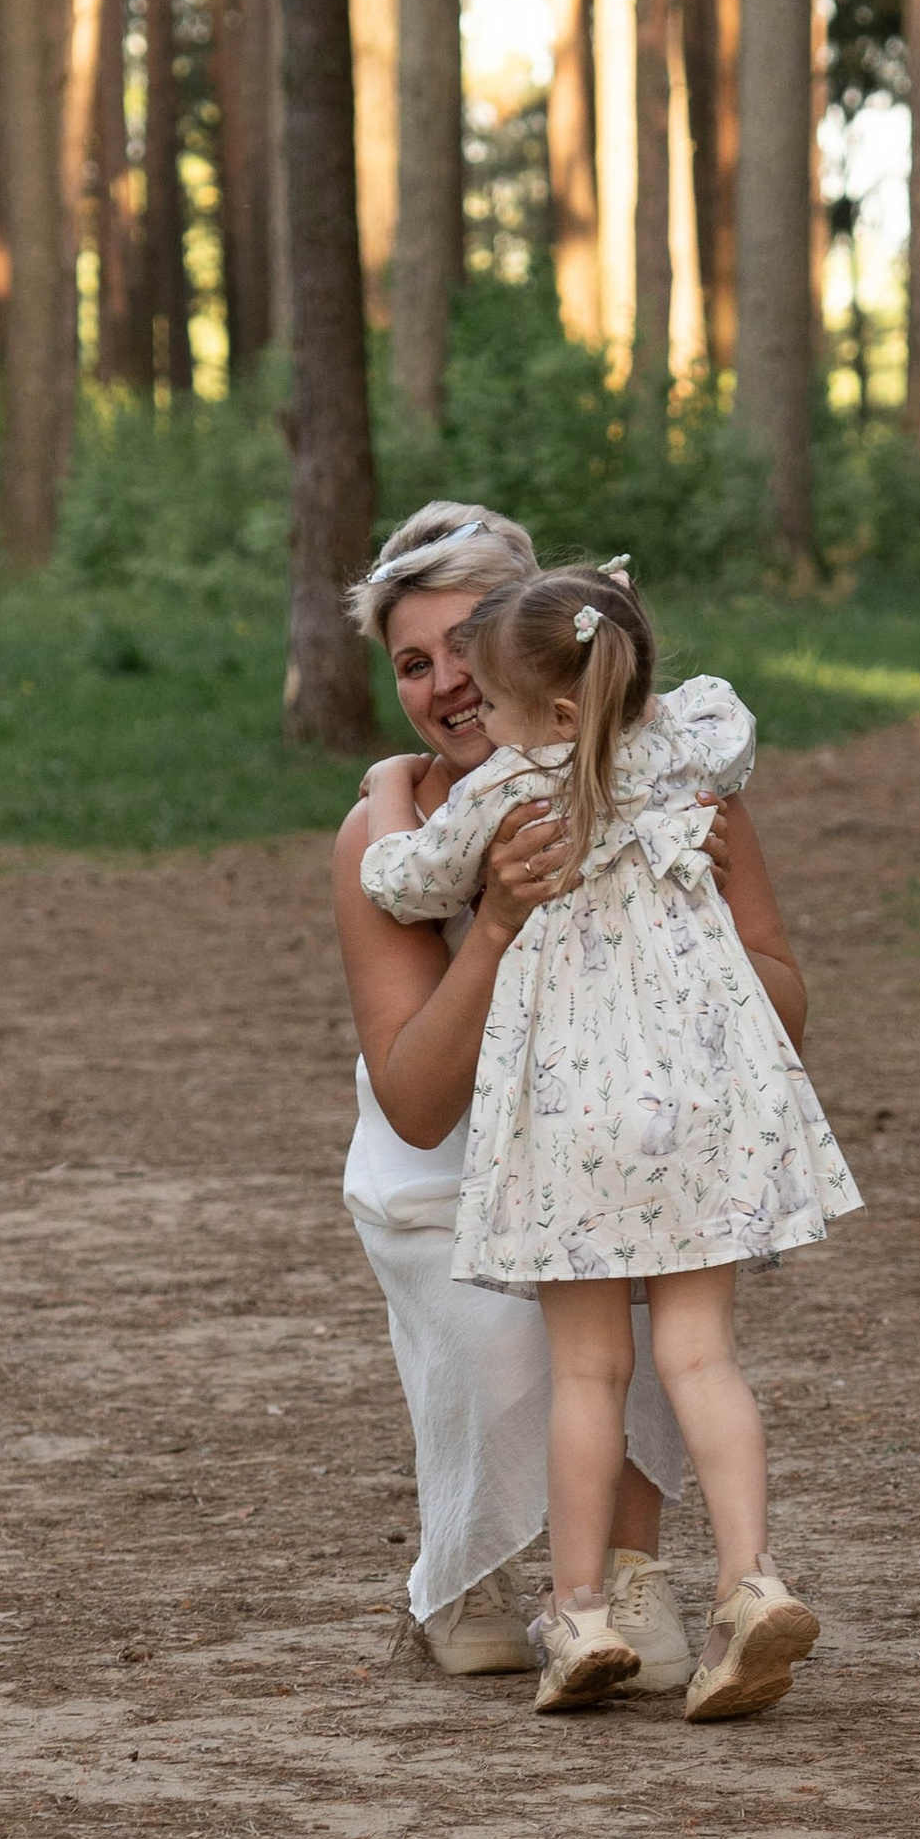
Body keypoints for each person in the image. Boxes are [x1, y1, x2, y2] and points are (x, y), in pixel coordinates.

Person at [362, 559, 859, 1722]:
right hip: (700, 1106)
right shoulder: (690, 750)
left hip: (575, 1123)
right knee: (702, 1360)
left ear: (554, 711)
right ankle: (749, 1582)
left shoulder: (507, 799)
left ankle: (577, 1609)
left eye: (486, 695)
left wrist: (393, 789)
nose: (469, 714)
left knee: (588, 1371)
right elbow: (719, 741)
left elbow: (397, 878)